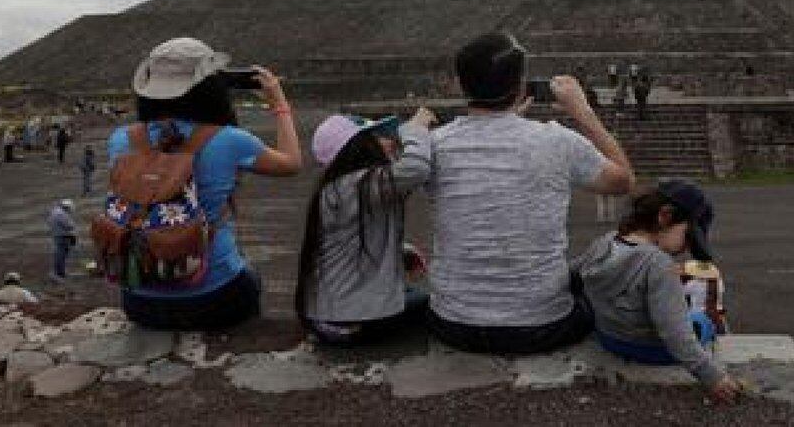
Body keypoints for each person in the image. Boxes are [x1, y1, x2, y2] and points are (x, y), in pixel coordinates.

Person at [425, 33, 635, 354]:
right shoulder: (556, 141)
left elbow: (486, 148)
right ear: (521, 85)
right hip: (539, 326)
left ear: (459, 84)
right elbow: (623, 182)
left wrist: (506, 121)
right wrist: (583, 112)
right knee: (600, 281)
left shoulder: (434, 144)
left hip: (453, 323)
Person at [104, 37, 302, 330]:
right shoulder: (229, 139)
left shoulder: (122, 139)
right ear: (212, 86)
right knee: (251, 280)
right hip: (212, 297)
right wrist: (280, 105)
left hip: (139, 298)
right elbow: (292, 163)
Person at [576, 181, 740, 403]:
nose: (685, 249)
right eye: (687, 236)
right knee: (703, 321)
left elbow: (572, 274)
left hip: (609, 338)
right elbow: (675, 335)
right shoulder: (658, 264)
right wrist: (713, 377)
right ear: (665, 216)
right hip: (648, 348)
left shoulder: (604, 243)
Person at [296, 108, 436, 345]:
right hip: (352, 325)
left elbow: (352, 241)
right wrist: (415, 130)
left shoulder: (337, 188)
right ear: (359, 149)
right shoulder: (361, 184)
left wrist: (400, 251)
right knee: (434, 303)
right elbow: (416, 168)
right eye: (377, 138)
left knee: (406, 293)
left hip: (325, 318)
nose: (389, 143)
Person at [48, 199, 77, 282]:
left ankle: (61, 272)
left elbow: (49, 222)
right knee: (61, 255)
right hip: (63, 236)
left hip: (58, 235)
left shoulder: (55, 211)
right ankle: (59, 273)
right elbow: (69, 225)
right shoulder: (62, 214)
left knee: (60, 254)